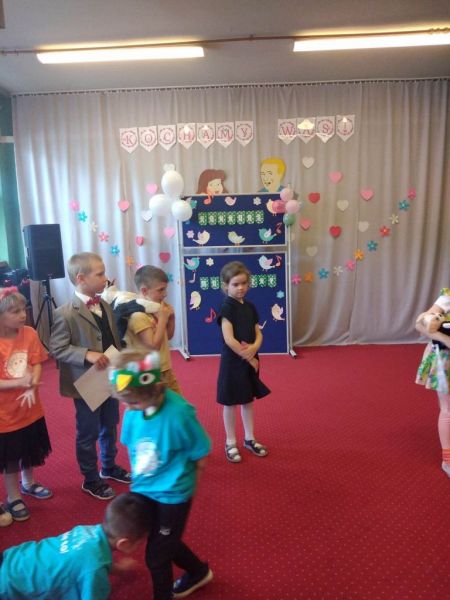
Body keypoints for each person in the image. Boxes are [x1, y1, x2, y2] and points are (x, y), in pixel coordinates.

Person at [109, 349, 212, 600]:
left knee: (156, 557)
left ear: (152, 391)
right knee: (163, 540)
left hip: (173, 495)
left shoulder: (180, 413)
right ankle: (198, 572)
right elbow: (133, 447)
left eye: (133, 402)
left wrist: (189, 490)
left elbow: (200, 453)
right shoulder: (133, 410)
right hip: (144, 489)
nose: (127, 407)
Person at [49, 252, 130, 500]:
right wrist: (87, 354)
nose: (105, 278)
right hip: (87, 382)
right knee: (88, 432)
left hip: (110, 376)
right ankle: (90, 478)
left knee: (110, 423)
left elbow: (111, 338)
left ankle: (109, 465)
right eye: (100, 274)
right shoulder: (65, 313)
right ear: (81, 278)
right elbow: (57, 348)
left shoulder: (104, 304)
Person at [0, 491, 151, 599]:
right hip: (10, 588)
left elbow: (93, 557)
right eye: (140, 542)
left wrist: (118, 569)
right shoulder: (94, 570)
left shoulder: (87, 531)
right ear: (124, 543)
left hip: (12, 558)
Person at [0, 286, 52, 523]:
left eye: (23, 309)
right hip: (6, 414)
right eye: (15, 311)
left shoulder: (29, 333)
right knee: (11, 457)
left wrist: (32, 384)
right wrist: (20, 382)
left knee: (29, 448)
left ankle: (28, 482)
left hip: (30, 409)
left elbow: (37, 361)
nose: (23, 314)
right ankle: (13, 497)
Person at [217, 261, 270, 463]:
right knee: (230, 402)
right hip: (233, 360)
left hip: (250, 358)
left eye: (244, 283)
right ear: (226, 286)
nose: (241, 288)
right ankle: (230, 442)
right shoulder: (226, 307)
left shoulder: (250, 307)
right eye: (235, 284)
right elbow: (229, 339)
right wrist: (248, 356)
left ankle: (249, 438)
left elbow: (258, 333)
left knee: (247, 400)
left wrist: (254, 348)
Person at [124, 265, 181, 394]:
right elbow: (153, 348)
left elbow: (168, 336)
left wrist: (171, 318)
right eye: (161, 290)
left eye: (165, 289)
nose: (165, 294)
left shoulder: (158, 308)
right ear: (144, 291)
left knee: (178, 403)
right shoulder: (138, 315)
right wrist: (163, 320)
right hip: (150, 372)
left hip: (165, 368)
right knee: (157, 404)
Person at [415, 287, 450, 477]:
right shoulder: (448, 298)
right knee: (448, 410)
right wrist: (444, 338)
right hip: (446, 360)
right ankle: (448, 460)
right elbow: (420, 323)